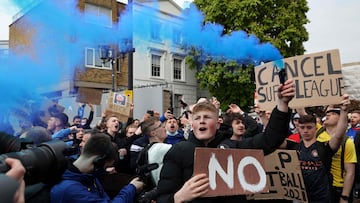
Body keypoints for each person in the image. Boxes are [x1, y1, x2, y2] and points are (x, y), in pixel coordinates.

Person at [156, 79, 295, 203]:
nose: (202, 121)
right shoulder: (179, 151)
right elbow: (162, 197)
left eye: (207, 117)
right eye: (197, 118)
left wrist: (282, 104)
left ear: (218, 124)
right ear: (192, 125)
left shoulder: (232, 147)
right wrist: (179, 197)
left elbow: (270, 140)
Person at [50, 132, 144, 203]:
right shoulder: (70, 188)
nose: (105, 170)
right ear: (98, 161)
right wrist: (131, 188)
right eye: (105, 167)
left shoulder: (88, 177)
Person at [317, 105, 357, 203]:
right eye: (327, 113)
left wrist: (344, 197)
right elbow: (303, 115)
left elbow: (350, 172)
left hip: (336, 188)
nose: (328, 115)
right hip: (319, 185)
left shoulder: (347, 142)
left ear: (341, 119)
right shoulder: (318, 132)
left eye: (333, 113)